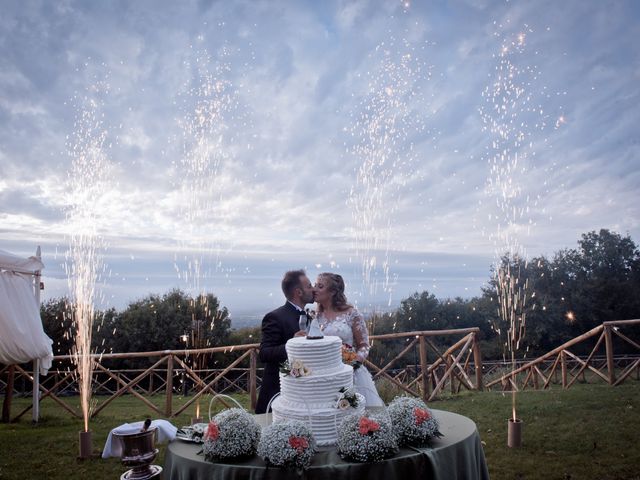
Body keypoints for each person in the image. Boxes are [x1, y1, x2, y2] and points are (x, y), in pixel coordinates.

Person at [314, 272, 384, 407]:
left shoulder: (352, 314)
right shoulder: (315, 317)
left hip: (350, 372)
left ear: (333, 291)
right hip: (324, 376)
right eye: (315, 285)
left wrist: (356, 361)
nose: (315, 289)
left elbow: (364, 345)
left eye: (320, 286)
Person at [255, 269, 315, 414]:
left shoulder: (310, 316)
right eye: (309, 286)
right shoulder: (275, 317)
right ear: (298, 292)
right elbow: (264, 353)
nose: (313, 289)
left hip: (303, 394)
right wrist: (291, 344)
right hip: (279, 393)